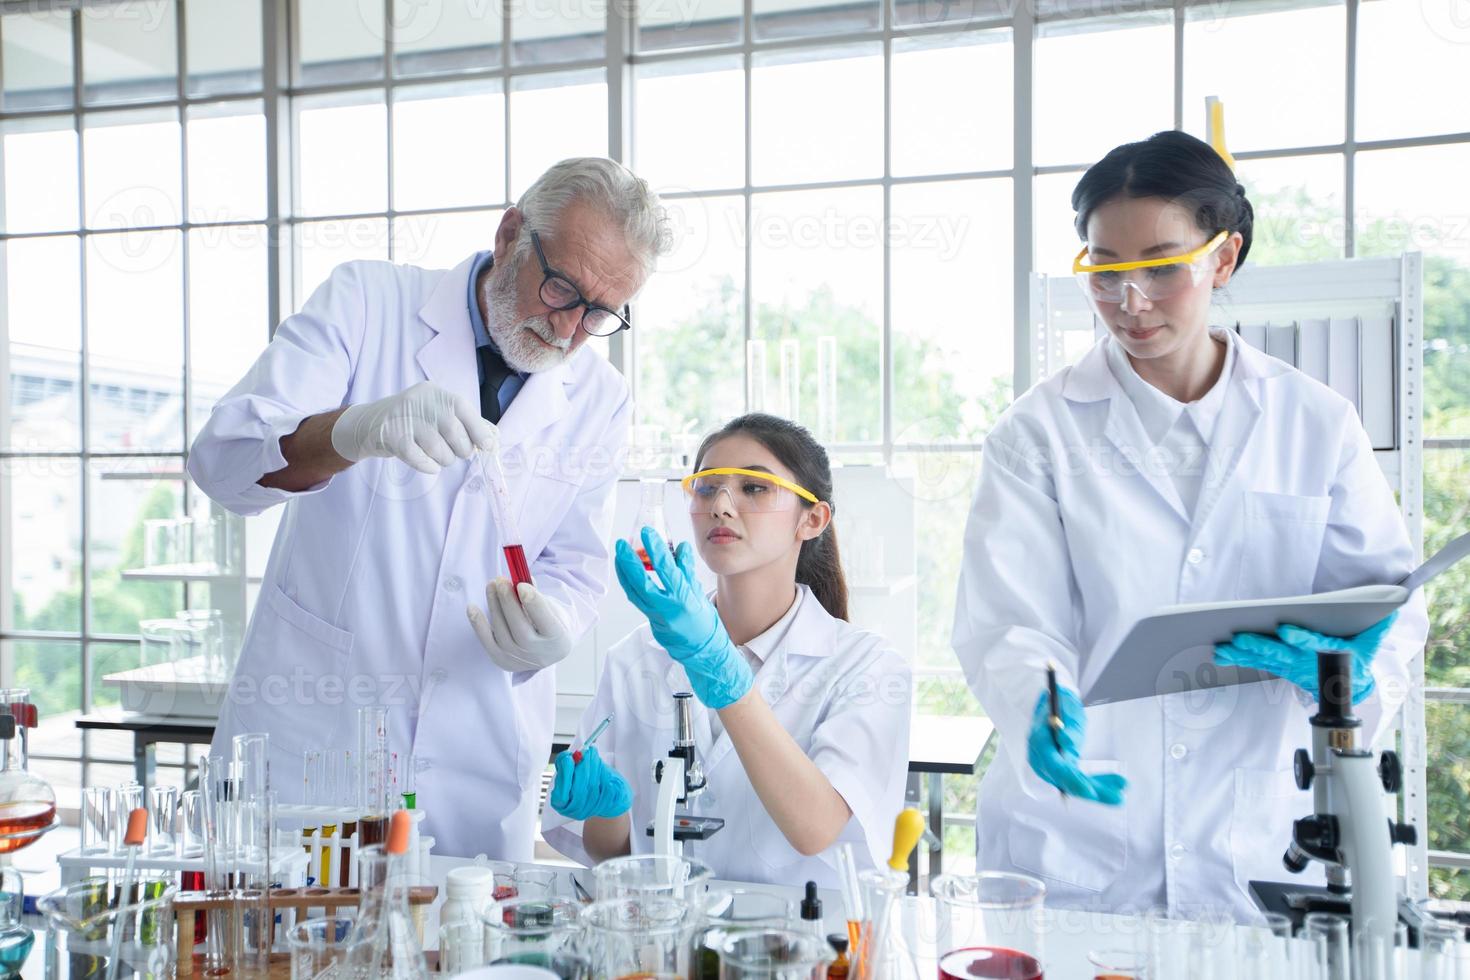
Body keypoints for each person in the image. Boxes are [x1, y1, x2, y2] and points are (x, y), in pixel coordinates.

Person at [951, 130, 1429, 919]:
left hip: (1260, 834)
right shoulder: (1037, 434)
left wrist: (1357, 676)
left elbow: (1387, 604)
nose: (1129, 302)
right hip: (1080, 844)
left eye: (1163, 267)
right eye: (1104, 271)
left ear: (1223, 257)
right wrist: (1040, 706)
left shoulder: (1314, 423)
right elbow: (1010, 623)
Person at [188, 158, 670, 858]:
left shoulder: (600, 399)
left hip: (479, 755)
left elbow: (574, 562)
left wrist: (555, 626)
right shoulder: (366, 302)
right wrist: (350, 430)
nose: (568, 327)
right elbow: (224, 462)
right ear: (510, 235)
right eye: (561, 286)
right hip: (315, 749)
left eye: (598, 313)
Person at [541, 414, 911, 885]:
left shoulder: (870, 668)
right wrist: (611, 810)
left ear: (812, 519)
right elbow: (609, 853)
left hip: (799, 944)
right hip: (666, 942)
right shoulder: (635, 658)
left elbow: (814, 827)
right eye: (707, 487)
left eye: (754, 488)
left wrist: (719, 667)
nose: (721, 505)